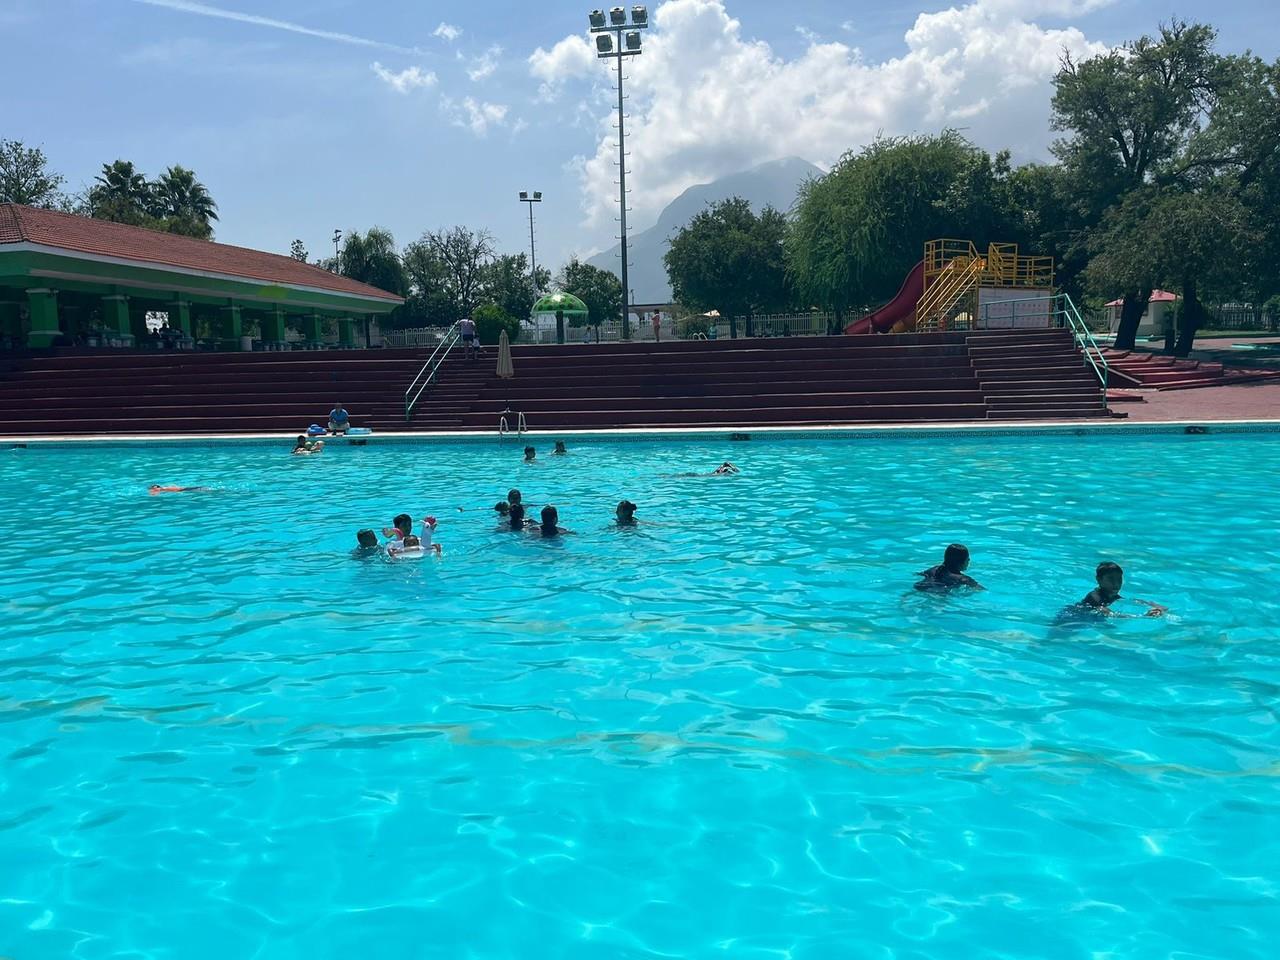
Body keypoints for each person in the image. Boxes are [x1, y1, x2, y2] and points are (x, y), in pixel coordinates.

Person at [1077, 561, 1166, 618]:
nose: (1116, 583)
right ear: (1099, 580)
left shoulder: (1112, 595)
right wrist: (1144, 616)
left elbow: (1130, 601)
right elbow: (1112, 615)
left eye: (1119, 579)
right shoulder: (1094, 597)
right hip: (1074, 619)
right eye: (1111, 579)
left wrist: (1153, 605)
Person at [915, 544, 982, 591]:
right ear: (962, 561)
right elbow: (980, 590)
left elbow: (919, 574)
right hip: (938, 593)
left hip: (920, 586)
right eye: (967, 558)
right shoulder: (963, 579)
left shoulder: (933, 569)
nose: (969, 560)